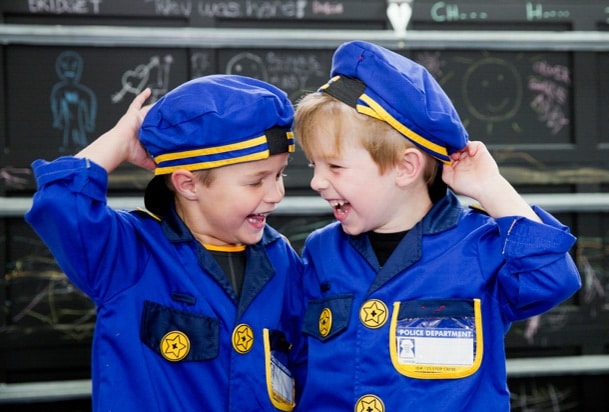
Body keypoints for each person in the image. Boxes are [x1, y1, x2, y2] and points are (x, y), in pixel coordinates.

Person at [292, 40, 581, 411]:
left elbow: (553, 279)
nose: (317, 182)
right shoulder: (321, 252)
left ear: (406, 167)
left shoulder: (477, 246)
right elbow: (300, 363)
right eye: (314, 166)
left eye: (334, 167)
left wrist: (491, 188)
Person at [25, 75, 305, 411]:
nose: (277, 194)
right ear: (188, 184)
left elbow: (306, 367)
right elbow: (60, 203)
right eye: (256, 181)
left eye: (280, 175)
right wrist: (120, 141)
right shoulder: (130, 254)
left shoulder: (281, 260)